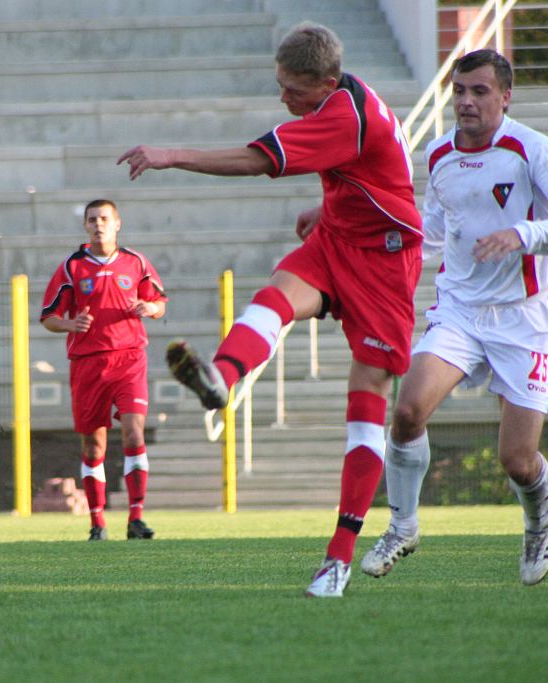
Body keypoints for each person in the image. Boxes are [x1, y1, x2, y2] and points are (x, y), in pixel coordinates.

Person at [118, 22, 424, 597]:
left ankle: (338, 559)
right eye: (280, 85)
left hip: (385, 268)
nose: (284, 98)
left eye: (293, 90)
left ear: (327, 82)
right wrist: (325, 204)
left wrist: (169, 155)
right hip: (338, 240)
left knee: (365, 407)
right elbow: (372, 169)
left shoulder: (343, 114)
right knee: (275, 297)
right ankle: (223, 382)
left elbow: (257, 159)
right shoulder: (348, 98)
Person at [359, 49, 548, 586]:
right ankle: (403, 525)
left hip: (525, 317)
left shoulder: (531, 149)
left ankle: (540, 519)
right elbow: (433, 227)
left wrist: (523, 234)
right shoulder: (438, 153)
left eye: (480, 91)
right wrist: (356, 227)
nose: (466, 101)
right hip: (461, 311)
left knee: (517, 459)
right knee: (408, 411)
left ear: (505, 96)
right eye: (459, 91)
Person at [40, 199, 168, 541]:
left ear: (117, 223)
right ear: (85, 226)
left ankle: (136, 519)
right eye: (93, 219)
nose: (99, 224)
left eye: (105, 218)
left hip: (129, 359)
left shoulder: (136, 262)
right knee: (93, 446)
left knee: (134, 434)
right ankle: (98, 523)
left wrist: (149, 306)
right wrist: (71, 324)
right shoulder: (72, 267)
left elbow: (159, 304)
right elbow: (49, 318)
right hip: (88, 364)